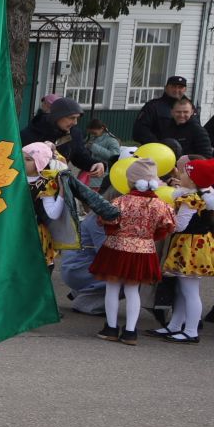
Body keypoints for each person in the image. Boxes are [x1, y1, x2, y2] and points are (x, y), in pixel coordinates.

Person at [91, 157, 173, 344]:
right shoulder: (161, 205)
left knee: (112, 287)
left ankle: (111, 328)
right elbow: (166, 226)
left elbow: (105, 220)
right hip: (144, 251)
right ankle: (130, 332)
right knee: (132, 289)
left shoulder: (121, 201)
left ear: (131, 180)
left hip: (117, 248)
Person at [149, 159, 214, 344]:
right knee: (182, 289)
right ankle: (176, 325)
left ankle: (191, 330)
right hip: (193, 245)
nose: (180, 175)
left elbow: (180, 225)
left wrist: (165, 218)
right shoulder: (202, 195)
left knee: (189, 290)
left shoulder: (190, 200)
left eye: (185, 173)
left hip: (190, 247)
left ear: (193, 181)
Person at [59, 215, 109, 314]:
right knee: (131, 278)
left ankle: (80, 291)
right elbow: (107, 254)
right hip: (77, 268)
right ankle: (86, 303)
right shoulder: (100, 219)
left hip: (76, 264)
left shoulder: (98, 215)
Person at [131, 75, 189, 146]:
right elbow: (140, 131)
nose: (176, 90)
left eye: (180, 87)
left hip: (185, 152)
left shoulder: (190, 108)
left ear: (185, 89)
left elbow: (196, 130)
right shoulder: (152, 106)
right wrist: (159, 145)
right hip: (157, 151)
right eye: (173, 87)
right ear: (166, 88)